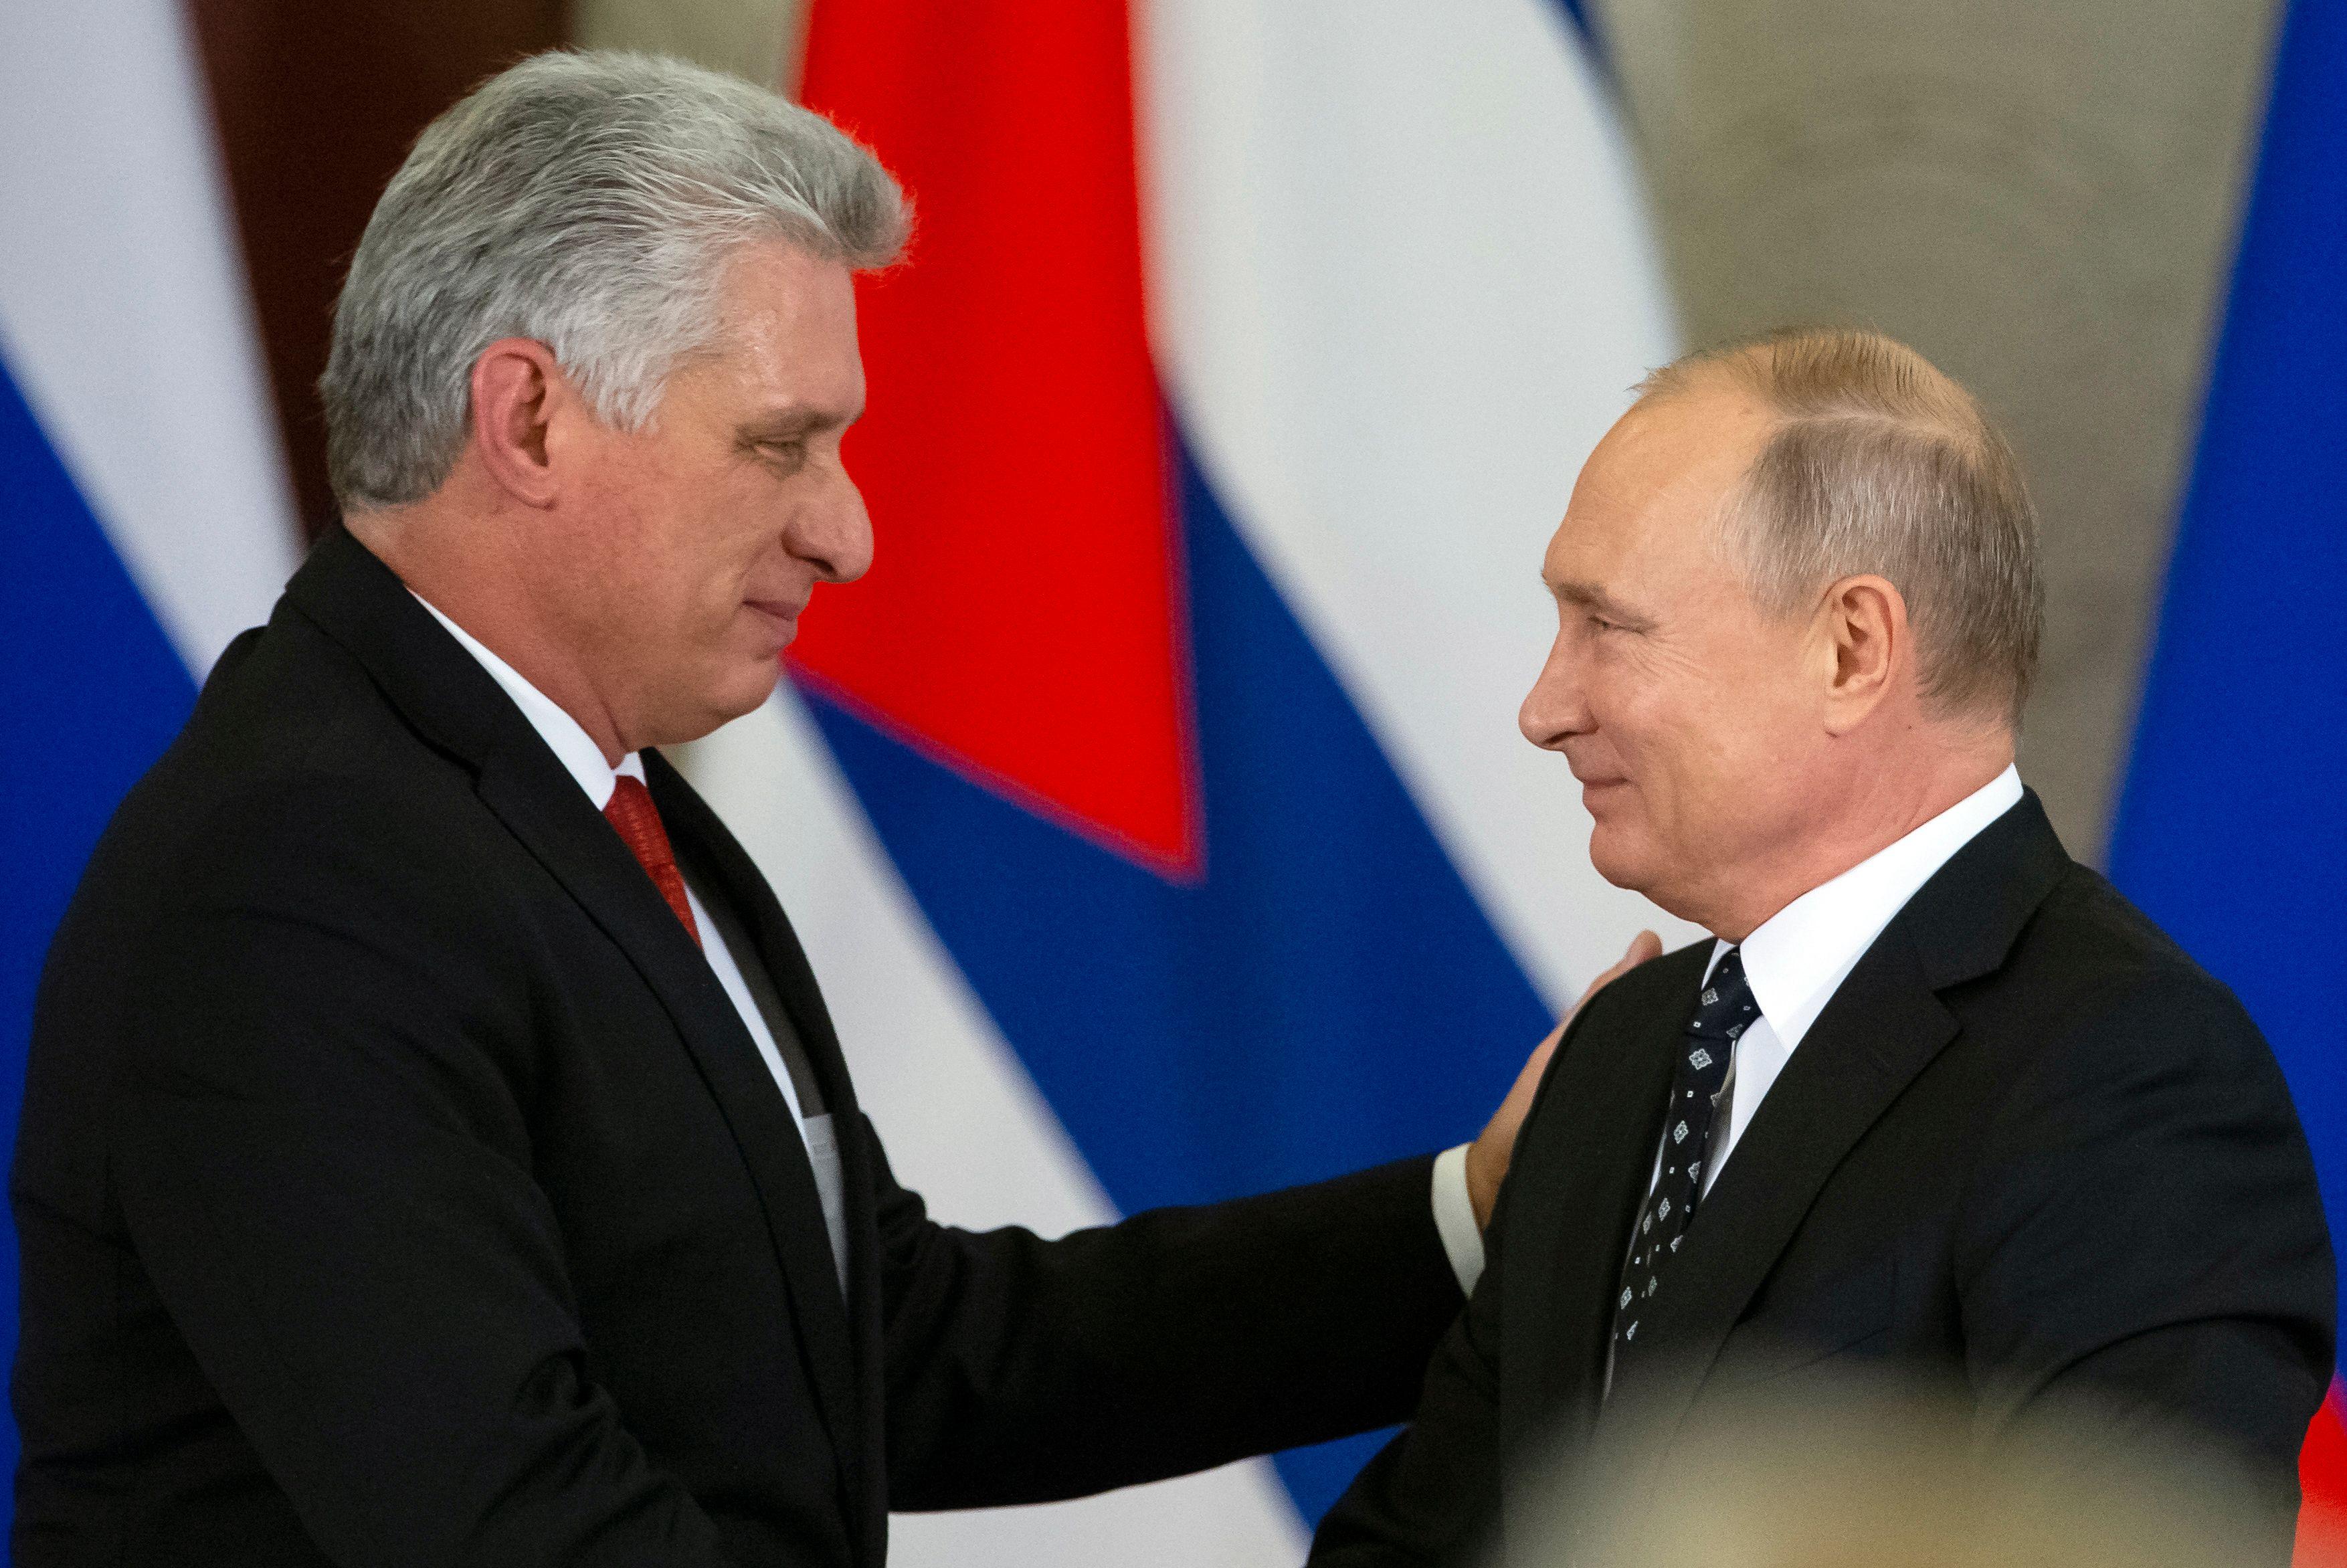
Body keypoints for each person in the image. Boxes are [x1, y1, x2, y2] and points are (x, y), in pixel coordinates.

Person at [9, 51, 1634, 1567]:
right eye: (777, 445)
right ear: (527, 419)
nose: (846, 534)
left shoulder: (597, 807)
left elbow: (890, 1345)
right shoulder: (298, 874)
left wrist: (1468, 1213)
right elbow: (520, 1527)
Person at [1306, 328, 2336, 1566]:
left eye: (1608, 626)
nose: (1546, 707)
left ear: (1852, 648)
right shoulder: (1624, 1052)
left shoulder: (2126, 1076)